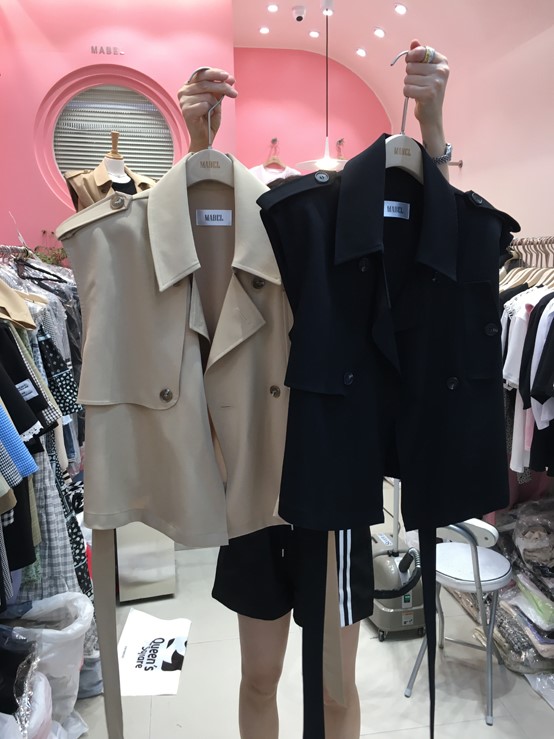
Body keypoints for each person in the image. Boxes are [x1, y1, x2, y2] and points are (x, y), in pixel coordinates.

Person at [177, 39, 450, 739]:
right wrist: (199, 145)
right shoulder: (250, 235)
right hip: (256, 486)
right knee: (259, 677)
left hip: (338, 490)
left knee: (335, 688)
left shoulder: (353, 243)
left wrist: (432, 127)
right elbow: (193, 256)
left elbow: (428, 241)